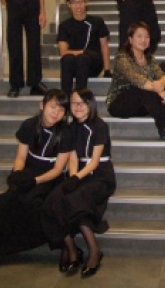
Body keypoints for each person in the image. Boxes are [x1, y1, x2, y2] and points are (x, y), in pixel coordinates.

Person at [42, 88, 116, 278]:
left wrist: (76, 179)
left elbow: (94, 161)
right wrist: (73, 177)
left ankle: (94, 251)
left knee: (76, 202)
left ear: (90, 104)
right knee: (53, 200)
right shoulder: (70, 128)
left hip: (100, 175)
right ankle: (71, 249)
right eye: (74, 102)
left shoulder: (99, 126)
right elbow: (73, 156)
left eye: (82, 102)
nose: (78, 107)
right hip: (80, 173)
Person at [0, 89, 70, 256]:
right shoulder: (29, 125)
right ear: (42, 105)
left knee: (32, 203)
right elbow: (20, 157)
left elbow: (58, 169)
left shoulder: (67, 132)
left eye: (61, 110)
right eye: (53, 107)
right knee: (7, 200)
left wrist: (35, 181)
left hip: (50, 177)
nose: (56, 113)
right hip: (29, 169)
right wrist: (18, 174)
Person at [106, 22, 165, 141]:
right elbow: (136, 79)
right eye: (139, 36)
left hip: (142, 104)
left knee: (160, 82)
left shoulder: (149, 58)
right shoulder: (122, 58)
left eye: (146, 36)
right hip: (120, 104)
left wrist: (161, 84)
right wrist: (159, 90)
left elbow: (163, 76)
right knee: (144, 89)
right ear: (130, 39)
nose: (144, 40)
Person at [57, 0, 111, 96]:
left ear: (86, 3)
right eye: (74, 2)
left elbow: (104, 46)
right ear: (69, 5)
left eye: (81, 1)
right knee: (67, 59)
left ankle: (80, 99)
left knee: (82, 58)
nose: (78, 5)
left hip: (93, 63)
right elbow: (63, 52)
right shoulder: (64, 26)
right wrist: (81, 52)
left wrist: (107, 70)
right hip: (74, 63)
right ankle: (65, 99)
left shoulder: (97, 22)